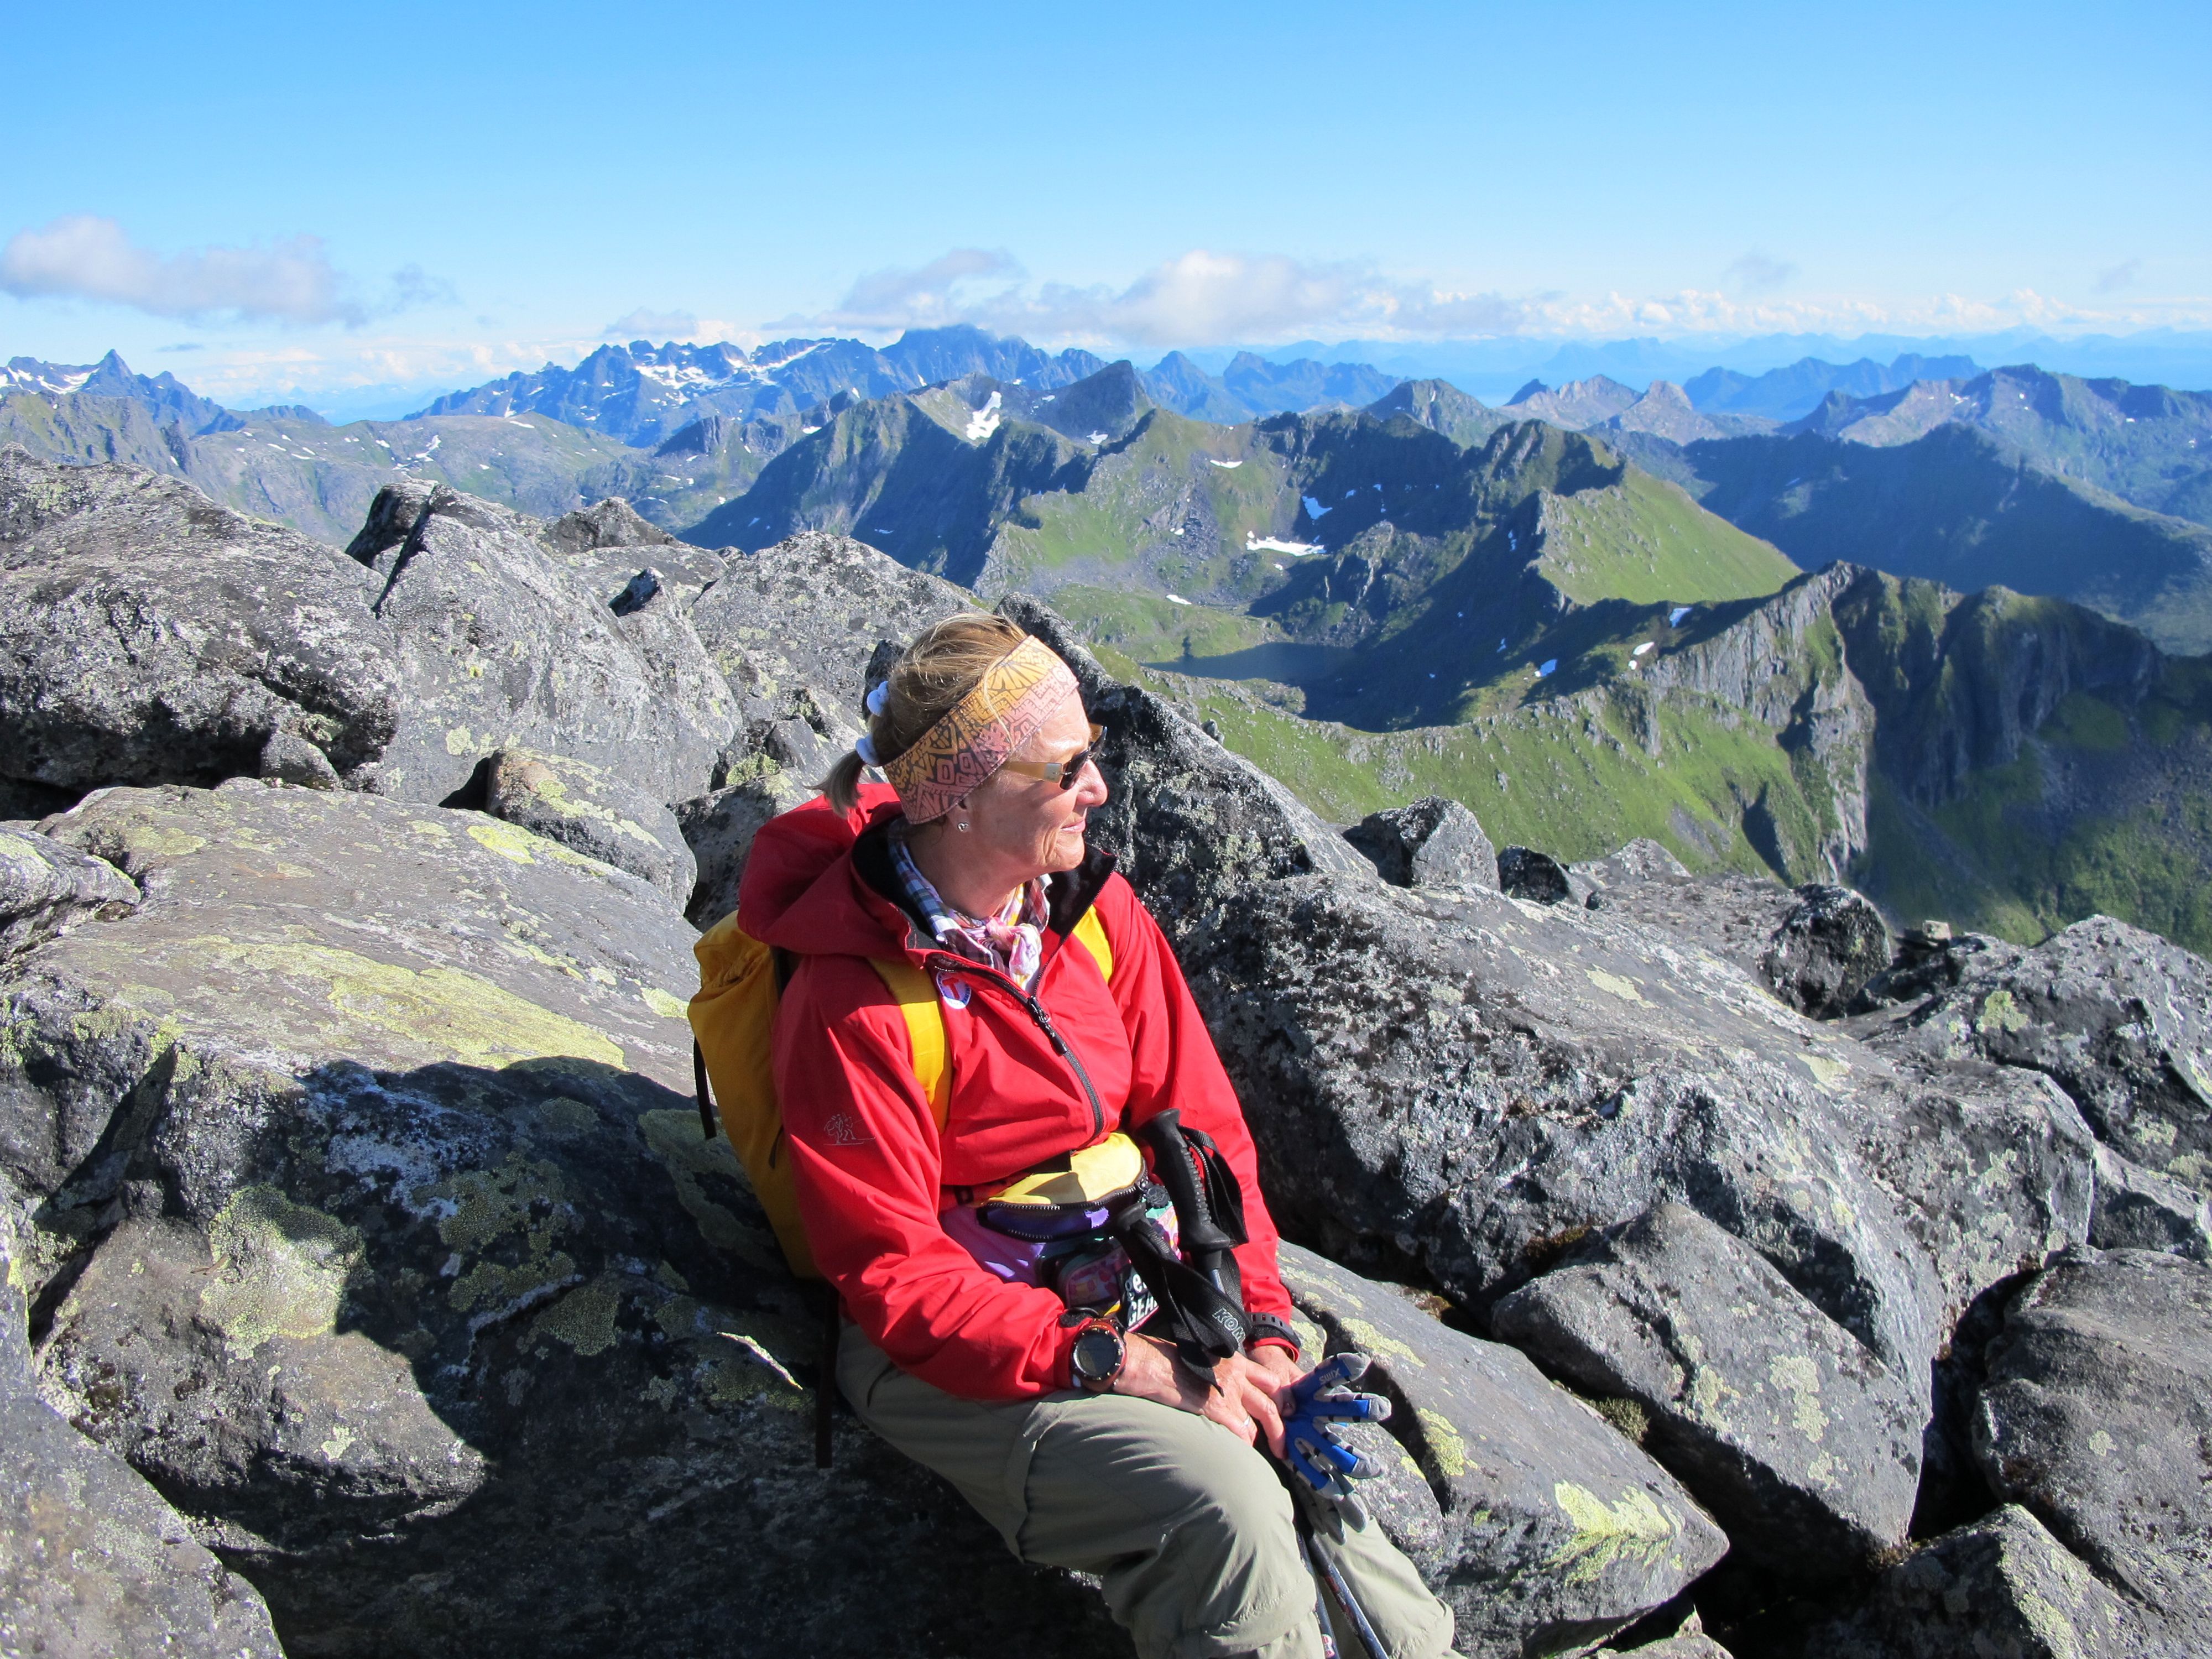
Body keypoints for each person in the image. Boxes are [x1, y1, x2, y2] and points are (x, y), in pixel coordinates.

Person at [736, 614, 1457, 1659]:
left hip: (1128, 1280)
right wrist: (1135, 1368)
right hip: (953, 1349)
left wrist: (1258, 1332)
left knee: (1330, 1514)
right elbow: (895, 1275)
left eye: (1095, 756)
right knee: (1227, 1517)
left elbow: (1204, 1136)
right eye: (1067, 766)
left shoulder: (1089, 914)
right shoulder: (856, 1003)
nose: (1099, 789)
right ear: (963, 795)